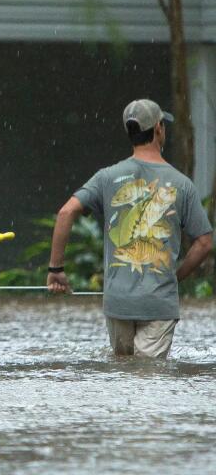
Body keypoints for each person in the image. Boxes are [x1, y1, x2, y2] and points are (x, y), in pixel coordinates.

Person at [47, 99, 213, 358]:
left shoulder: (105, 177)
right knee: (147, 382)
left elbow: (66, 212)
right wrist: (174, 277)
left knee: (124, 376)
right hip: (159, 303)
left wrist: (56, 269)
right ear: (159, 129)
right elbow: (204, 242)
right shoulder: (181, 184)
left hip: (118, 303)